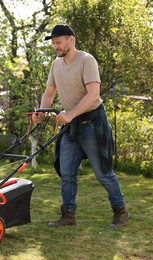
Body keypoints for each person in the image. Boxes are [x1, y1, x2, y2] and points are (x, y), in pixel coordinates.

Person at [32, 24, 128, 227]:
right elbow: (50, 92)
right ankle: (68, 215)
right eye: (53, 43)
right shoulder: (56, 65)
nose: (55, 46)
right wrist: (41, 111)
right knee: (66, 172)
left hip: (92, 122)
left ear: (71, 40)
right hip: (71, 124)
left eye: (58, 42)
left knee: (103, 172)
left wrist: (71, 113)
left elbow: (93, 93)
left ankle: (120, 211)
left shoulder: (86, 60)